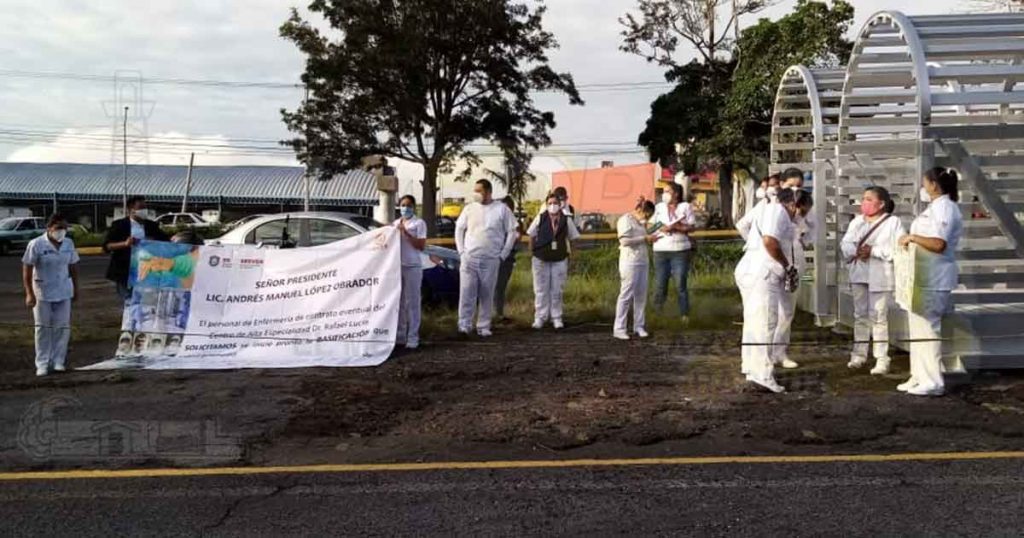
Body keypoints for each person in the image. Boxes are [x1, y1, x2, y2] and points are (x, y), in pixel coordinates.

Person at [734, 188, 812, 393]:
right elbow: (770, 242)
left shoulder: (772, 210)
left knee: (754, 322)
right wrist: (787, 266)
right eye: (803, 211)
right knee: (765, 323)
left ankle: (751, 367)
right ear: (794, 204)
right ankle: (763, 374)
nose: (801, 217)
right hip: (763, 273)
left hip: (756, 270)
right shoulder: (778, 211)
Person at [898, 168, 964, 396]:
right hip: (921, 277)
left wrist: (912, 237)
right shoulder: (935, 208)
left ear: (934, 185)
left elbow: (938, 244)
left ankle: (933, 381)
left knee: (928, 328)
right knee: (917, 329)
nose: (923, 187)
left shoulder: (945, 208)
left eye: (925, 183)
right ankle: (918, 375)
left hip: (934, 278)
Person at [841, 186, 905, 375]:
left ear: (881, 203)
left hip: (880, 274)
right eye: (863, 199)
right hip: (859, 272)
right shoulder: (857, 222)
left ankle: (882, 358)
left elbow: (899, 249)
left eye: (869, 199)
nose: (864, 202)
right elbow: (845, 243)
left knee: (878, 317)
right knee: (860, 315)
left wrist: (874, 251)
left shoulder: (893, 222)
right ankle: (858, 355)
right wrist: (855, 251)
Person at [454, 179, 518, 337]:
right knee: (466, 292)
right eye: (474, 190)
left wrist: (504, 253)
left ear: (488, 192)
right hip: (470, 258)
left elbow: (512, 231)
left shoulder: (501, 209)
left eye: (479, 191)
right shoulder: (469, 208)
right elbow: (459, 229)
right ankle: (464, 325)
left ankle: (483, 326)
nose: (475, 194)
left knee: (486, 293)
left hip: (491, 259)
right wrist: (461, 251)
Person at [22, 214, 80, 376]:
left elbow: (73, 267)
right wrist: (29, 293)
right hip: (42, 291)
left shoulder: (69, 243)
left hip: (63, 290)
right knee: (42, 327)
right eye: (58, 228)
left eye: (64, 228)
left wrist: (76, 289)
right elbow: (27, 267)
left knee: (62, 327)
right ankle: (42, 362)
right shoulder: (36, 244)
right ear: (49, 228)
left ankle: (58, 361)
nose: (61, 231)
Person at [770, 167, 815, 369]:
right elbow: (746, 226)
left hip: (795, 263)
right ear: (782, 185)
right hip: (773, 262)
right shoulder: (770, 206)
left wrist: (803, 230)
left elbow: (812, 232)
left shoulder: (805, 207)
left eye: (799, 186)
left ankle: (780, 351)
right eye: (791, 185)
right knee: (770, 310)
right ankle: (766, 352)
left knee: (787, 311)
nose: (795, 190)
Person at [528, 192, 581, 329]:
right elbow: (531, 235)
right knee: (540, 289)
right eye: (550, 203)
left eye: (555, 203)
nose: (553, 206)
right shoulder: (540, 218)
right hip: (541, 258)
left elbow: (573, 238)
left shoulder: (566, 220)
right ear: (546, 205)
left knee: (557, 289)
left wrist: (574, 255)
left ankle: (556, 317)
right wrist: (532, 253)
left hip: (559, 258)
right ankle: (540, 317)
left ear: (560, 204)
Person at [103, 195, 169, 302]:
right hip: (126, 271)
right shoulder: (119, 225)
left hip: (148, 270)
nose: (144, 210)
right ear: (131, 209)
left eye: (145, 207)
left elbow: (166, 241)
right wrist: (125, 244)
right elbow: (107, 246)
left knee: (146, 302)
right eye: (141, 207)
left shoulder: (151, 226)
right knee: (129, 302)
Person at [649, 182, 697, 320]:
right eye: (663, 191)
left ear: (676, 193)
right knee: (660, 284)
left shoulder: (685, 207)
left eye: (668, 191)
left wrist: (677, 227)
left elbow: (692, 227)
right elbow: (650, 227)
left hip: (680, 251)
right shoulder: (659, 207)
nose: (664, 194)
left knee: (680, 284)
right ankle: (657, 314)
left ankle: (684, 314)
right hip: (660, 251)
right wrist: (662, 226)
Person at [614, 200, 656, 340]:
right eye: (646, 214)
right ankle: (619, 328)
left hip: (643, 260)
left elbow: (650, 231)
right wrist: (644, 238)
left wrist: (658, 230)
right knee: (626, 295)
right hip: (629, 261)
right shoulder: (625, 220)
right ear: (639, 210)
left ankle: (639, 326)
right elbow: (624, 241)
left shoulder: (642, 223)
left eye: (649, 216)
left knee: (641, 295)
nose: (647, 218)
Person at [392, 195, 428, 349]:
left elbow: (420, 245)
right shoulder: (395, 223)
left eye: (408, 205)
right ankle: (400, 334)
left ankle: (413, 336)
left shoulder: (419, 223)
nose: (405, 208)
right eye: (403, 205)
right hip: (397, 266)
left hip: (413, 266)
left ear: (413, 207)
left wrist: (406, 233)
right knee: (399, 302)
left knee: (412, 302)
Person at [494, 197, 523, 321]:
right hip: (494, 258)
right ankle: (494, 314)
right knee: (492, 287)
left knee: (500, 287)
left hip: (507, 260)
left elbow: (517, 237)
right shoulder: (496, 223)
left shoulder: (515, 223)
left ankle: (498, 313)